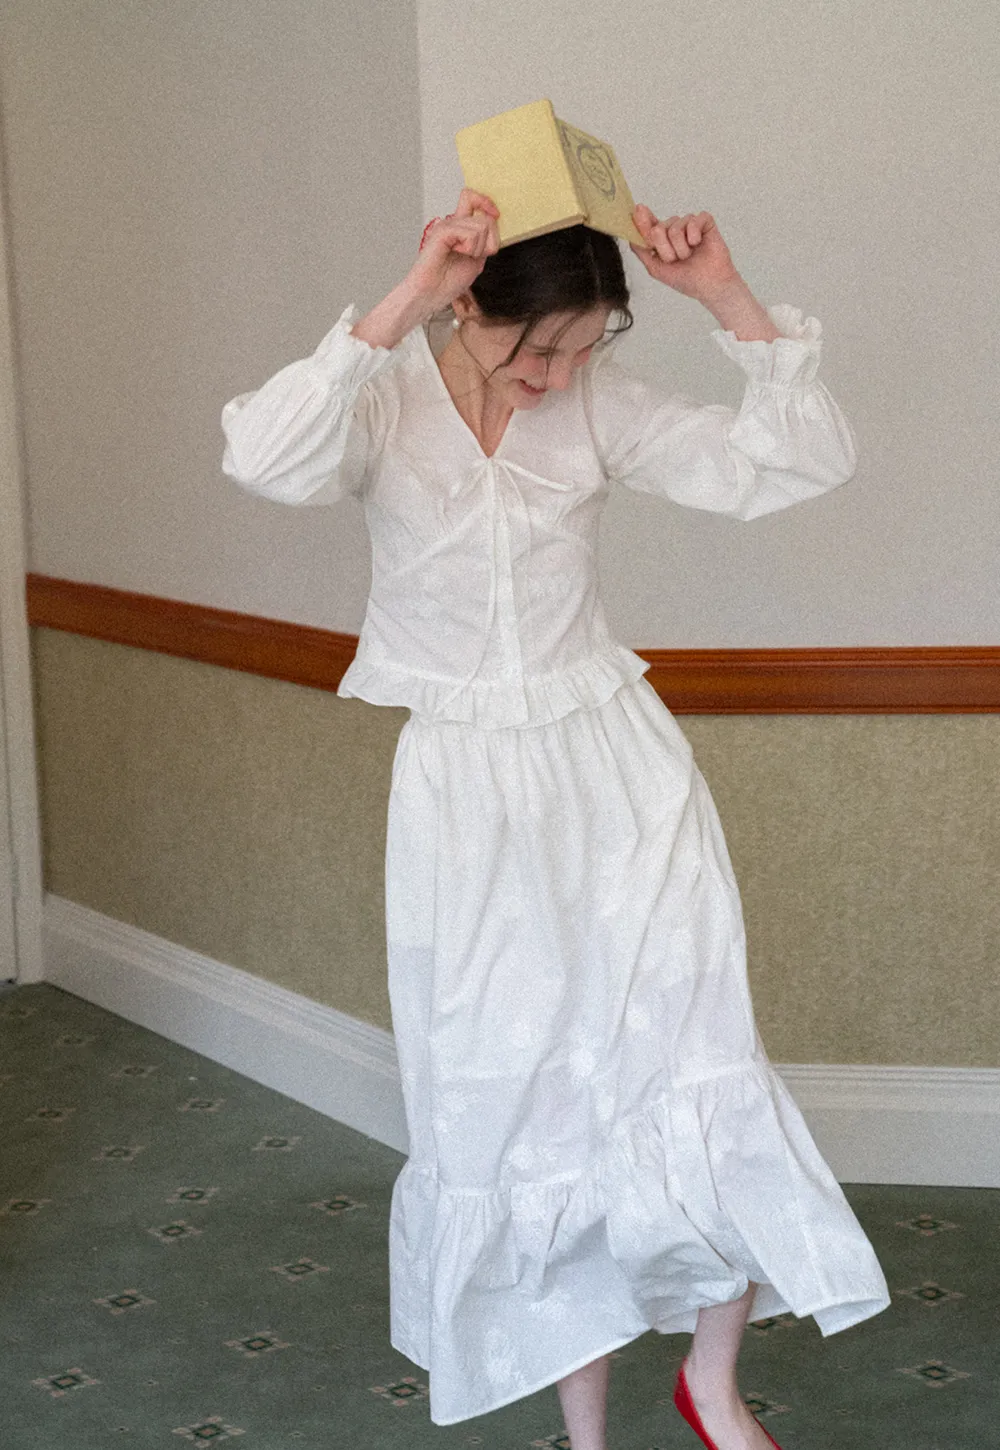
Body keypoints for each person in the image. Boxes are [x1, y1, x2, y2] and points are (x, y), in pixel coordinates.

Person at [221, 187, 891, 1449]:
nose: (558, 374)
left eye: (586, 348)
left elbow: (795, 460)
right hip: (467, 802)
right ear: (465, 304)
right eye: (536, 348)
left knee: (691, 1055)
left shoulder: (596, 407)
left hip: (617, 775)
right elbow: (262, 453)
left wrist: (728, 301)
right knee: (522, 1103)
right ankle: (585, 1435)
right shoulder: (381, 405)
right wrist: (405, 295)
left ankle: (714, 1380)